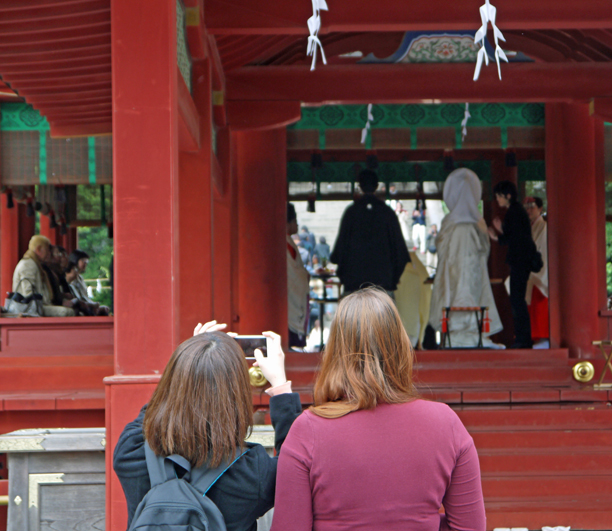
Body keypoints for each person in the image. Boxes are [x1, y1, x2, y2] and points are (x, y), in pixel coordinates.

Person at [270, 289, 485, 531]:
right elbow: (469, 527)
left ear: (334, 353)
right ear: (401, 347)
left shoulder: (308, 430)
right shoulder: (446, 423)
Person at [114, 324, 301, 531]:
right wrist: (281, 386)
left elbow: (154, 412)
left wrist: (191, 359)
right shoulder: (252, 474)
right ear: (236, 394)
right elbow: (296, 466)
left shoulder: (131, 451)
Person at [430, 168, 503, 348]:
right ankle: (470, 332)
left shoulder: (449, 222)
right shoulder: (477, 222)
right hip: (473, 273)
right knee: (472, 296)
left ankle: (456, 334)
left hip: (452, 273)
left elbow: (440, 248)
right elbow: (485, 250)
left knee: (453, 296)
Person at [330, 169, 410, 296]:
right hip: (383, 286)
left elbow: (338, 254)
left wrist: (347, 277)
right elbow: (401, 254)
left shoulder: (351, 212)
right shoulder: (387, 213)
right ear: (377, 186)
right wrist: (391, 280)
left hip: (354, 286)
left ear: (360, 186)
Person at [488, 180, 537, 348]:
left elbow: (515, 238)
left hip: (520, 261)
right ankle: (522, 338)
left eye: (499, 196)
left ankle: (523, 339)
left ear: (508, 196)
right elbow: (515, 235)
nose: (498, 200)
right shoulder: (515, 211)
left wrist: (497, 236)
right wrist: (501, 230)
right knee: (517, 300)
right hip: (521, 261)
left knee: (517, 300)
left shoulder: (515, 212)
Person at [12, 235, 75, 317]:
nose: (49, 254)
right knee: (67, 312)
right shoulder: (28, 264)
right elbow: (28, 294)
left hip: (40, 304)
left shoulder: (35, 264)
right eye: (47, 250)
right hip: (30, 307)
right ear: (38, 249)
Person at [523, 197, 549, 346]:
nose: (528, 210)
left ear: (540, 209)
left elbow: (542, 252)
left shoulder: (543, 227)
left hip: (539, 275)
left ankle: (542, 340)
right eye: (526, 207)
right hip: (529, 274)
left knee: (539, 307)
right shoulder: (529, 227)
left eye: (532, 207)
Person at [287, 203, 310, 348]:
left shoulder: (288, 242)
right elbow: (295, 273)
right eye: (295, 220)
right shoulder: (285, 243)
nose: (297, 224)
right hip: (290, 298)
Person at [68, 249, 110, 316]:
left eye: (86, 261)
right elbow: (79, 299)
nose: (85, 263)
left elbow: (85, 297)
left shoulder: (80, 278)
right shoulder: (70, 278)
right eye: (83, 260)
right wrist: (93, 305)